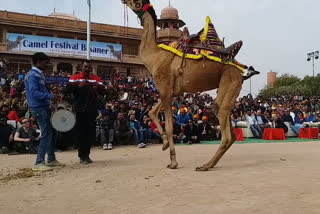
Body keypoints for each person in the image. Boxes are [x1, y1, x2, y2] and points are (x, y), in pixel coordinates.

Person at [24, 52, 64, 171]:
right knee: (46, 134)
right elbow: (34, 93)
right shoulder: (33, 75)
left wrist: (49, 102)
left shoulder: (39, 75)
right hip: (38, 107)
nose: (47, 65)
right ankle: (39, 162)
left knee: (50, 134)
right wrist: (50, 97)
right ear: (38, 62)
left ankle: (51, 159)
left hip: (43, 106)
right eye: (45, 62)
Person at [66, 60, 105, 164]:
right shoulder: (75, 78)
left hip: (91, 110)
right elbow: (67, 90)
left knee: (90, 134)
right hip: (79, 110)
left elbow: (103, 91)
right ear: (81, 67)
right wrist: (78, 86)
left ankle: (87, 155)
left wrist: (98, 88)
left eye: (89, 67)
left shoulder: (96, 79)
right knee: (81, 134)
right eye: (86, 67)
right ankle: (81, 156)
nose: (87, 69)